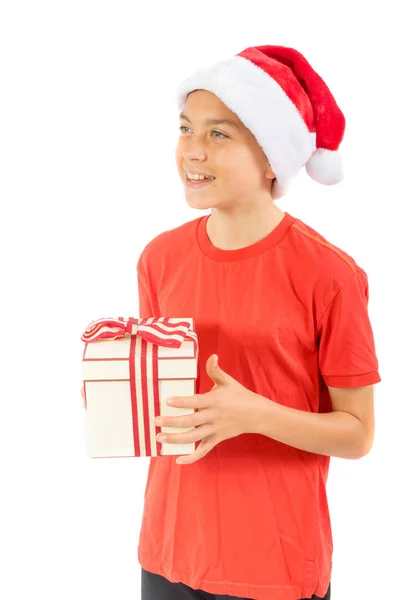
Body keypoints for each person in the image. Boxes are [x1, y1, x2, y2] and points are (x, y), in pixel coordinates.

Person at [113, 45, 381, 599]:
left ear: (271, 158)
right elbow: (166, 398)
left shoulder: (329, 274)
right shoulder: (158, 258)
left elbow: (358, 435)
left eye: (219, 134)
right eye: (186, 129)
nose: (192, 150)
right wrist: (121, 395)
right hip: (167, 553)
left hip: (272, 565)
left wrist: (256, 414)